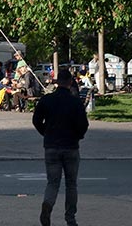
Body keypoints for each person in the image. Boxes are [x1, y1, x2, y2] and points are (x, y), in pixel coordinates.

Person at [33, 66, 90, 226]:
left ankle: (48, 204)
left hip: (51, 146)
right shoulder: (75, 102)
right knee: (71, 183)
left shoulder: (47, 100)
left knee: (52, 182)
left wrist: (46, 133)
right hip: (71, 146)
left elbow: (36, 120)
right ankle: (70, 218)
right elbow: (83, 125)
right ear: (71, 82)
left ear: (57, 82)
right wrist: (78, 136)